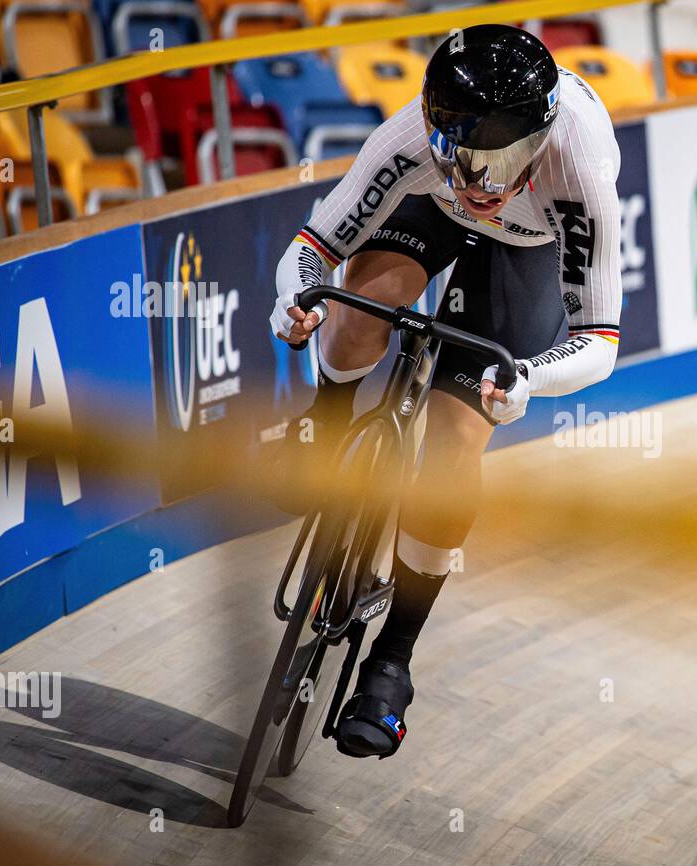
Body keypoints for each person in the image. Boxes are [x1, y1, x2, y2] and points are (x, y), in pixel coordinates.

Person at [269, 24, 622, 759]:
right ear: (435, 126)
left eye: (510, 159)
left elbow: (600, 341)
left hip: (526, 254)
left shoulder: (581, 165)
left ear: (545, 134)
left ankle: (390, 664)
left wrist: (529, 376)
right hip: (424, 210)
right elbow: (313, 250)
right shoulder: (406, 139)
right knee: (354, 319)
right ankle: (327, 422)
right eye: (468, 156)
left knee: (455, 446)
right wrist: (298, 300)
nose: (485, 184)